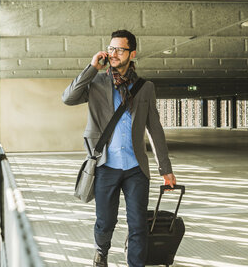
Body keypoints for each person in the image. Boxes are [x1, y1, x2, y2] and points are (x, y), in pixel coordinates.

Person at [62, 30, 176, 267]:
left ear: (132, 53)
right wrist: (92, 67)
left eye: (119, 49)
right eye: (110, 48)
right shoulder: (96, 82)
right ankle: (101, 252)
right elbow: (68, 98)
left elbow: (155, 129)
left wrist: (165, 169)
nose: (113, 53)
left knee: (138, 224)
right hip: (106, 165)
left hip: (135, 168)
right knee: (105, 221)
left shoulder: (145, 87)